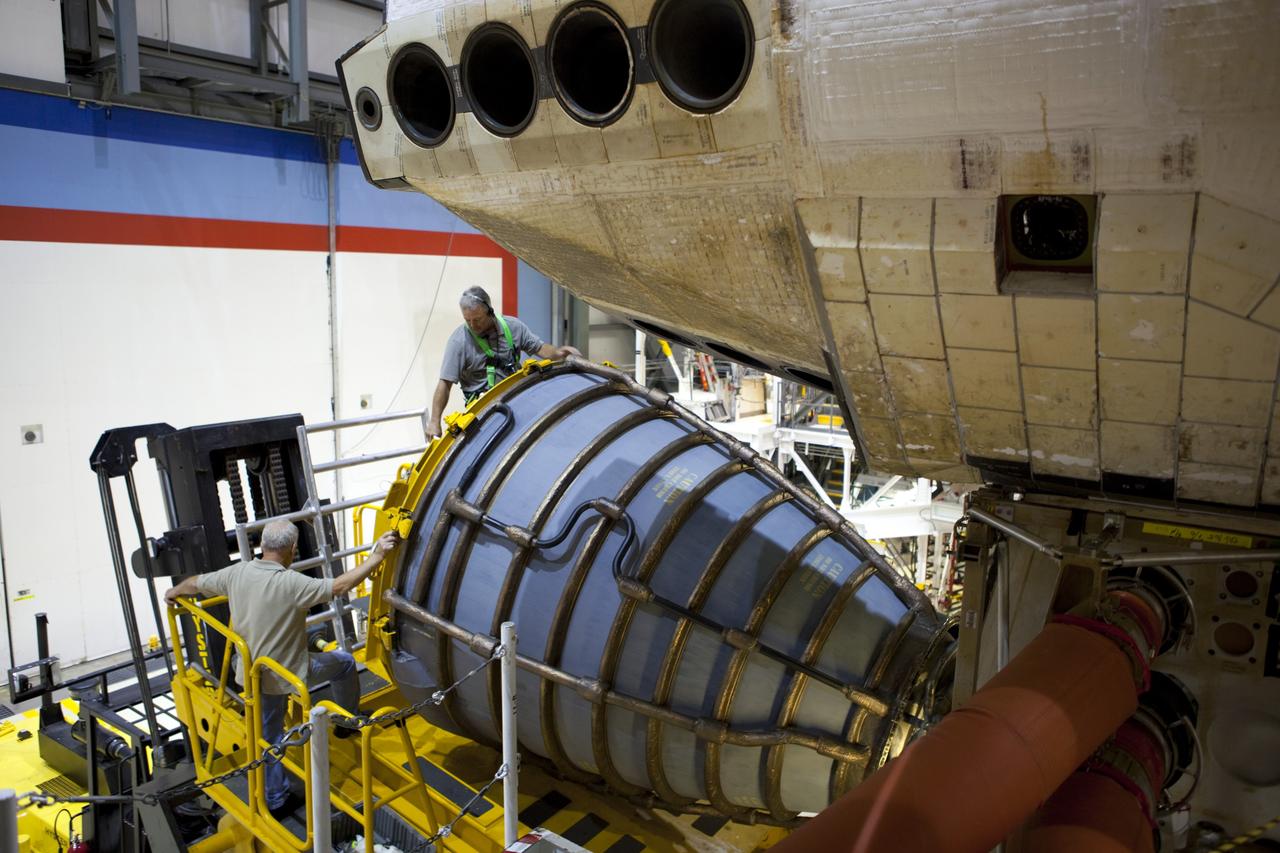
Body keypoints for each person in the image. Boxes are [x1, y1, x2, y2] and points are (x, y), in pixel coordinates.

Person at [165, 520, 400, 815]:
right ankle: (344, 722)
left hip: (249, 673)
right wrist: (376, 557)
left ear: (262, 546)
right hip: (287, 675)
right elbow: (340, 586)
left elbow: (196, 582)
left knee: (266, 731)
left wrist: (174, 591)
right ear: (292, 549)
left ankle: (275, 795)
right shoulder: (291, 583)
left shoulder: (237, 573)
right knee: (343, 663)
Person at [425, 286, 580, 440]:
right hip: (483, 413)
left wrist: (558, 353)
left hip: (517, 399)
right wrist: (434, 421)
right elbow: (444, 384)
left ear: (490, 311)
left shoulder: (513, 328)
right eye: (468, 320)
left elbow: (539, 348)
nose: (473, 325)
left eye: (477, 319)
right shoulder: (459, 341)